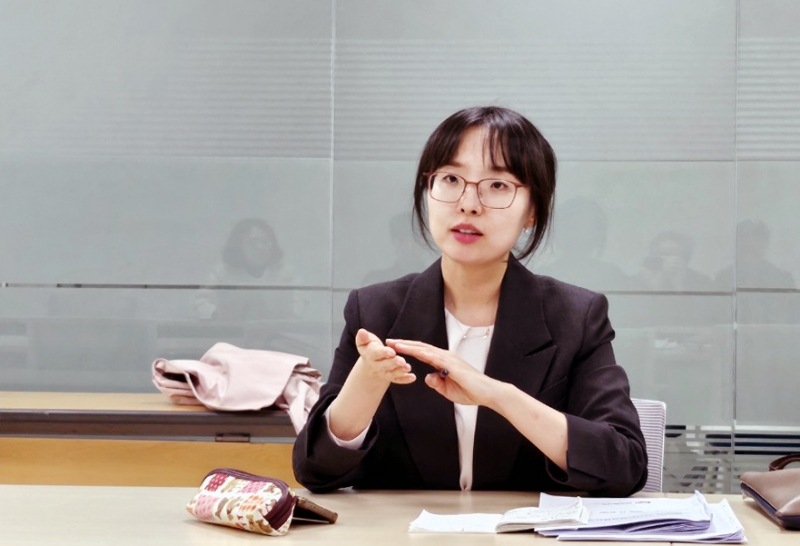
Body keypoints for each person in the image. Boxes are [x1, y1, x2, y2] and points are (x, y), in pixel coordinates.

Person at [293, 106, 647, 496]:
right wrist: (364, 386)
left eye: (497, 185)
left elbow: (624, 465)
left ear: (533, 210)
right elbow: (315, 472)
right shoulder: (376, 310)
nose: (468, 203)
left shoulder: (576, 317)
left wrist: (498, 395)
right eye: (450, 179)